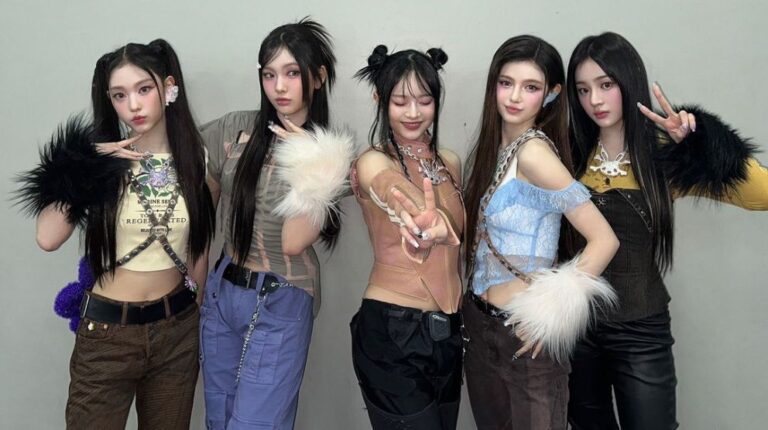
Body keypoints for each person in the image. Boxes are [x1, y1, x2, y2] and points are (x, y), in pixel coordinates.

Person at [565, 31, 768, 430]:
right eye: (584, 90)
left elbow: (761, 194)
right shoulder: (569, 152)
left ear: (629, 82)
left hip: (641, 328)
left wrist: (699, 143)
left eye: (606, 85)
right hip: (577, 330)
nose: (595, 101)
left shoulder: (663, 152)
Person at [16, 39, 215, 429]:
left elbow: (199, 247)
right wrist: (87, 162)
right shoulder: (100, 162)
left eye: (144, 89)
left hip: (176, 333)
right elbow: (48, 237)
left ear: (168, 87)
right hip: (108, 334)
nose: (134, 105)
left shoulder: (198, 160)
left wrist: (194, 311)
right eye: (120, 95)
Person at [197, 18, 355, 429]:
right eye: (269, 75)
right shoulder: (235, 129)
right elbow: (197, 206)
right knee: (219, 418)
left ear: (318, 77)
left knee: (254, 424)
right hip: (221, 292)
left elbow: (293, 241)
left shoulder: (332, 155)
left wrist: (312, 159)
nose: (279, 87)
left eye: (291, 73)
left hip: (280, 298)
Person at [461, 35, 619, 430]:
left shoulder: (534, 153)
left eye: (530, 87)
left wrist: (551, 315)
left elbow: (604, 239)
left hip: (523, 335)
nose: (515, 97)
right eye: (506, 83)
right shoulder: (495, 149)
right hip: (480, 327)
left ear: (551, 94)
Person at [349, 45, 464, 429]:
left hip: (448, 332)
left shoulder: (450, 162)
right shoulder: (373, 160)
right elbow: (390, 189)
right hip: (392, 330)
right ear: (379, 99)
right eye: (400, 102)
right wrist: (426, 220)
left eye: (424, 101)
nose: (413, 112)